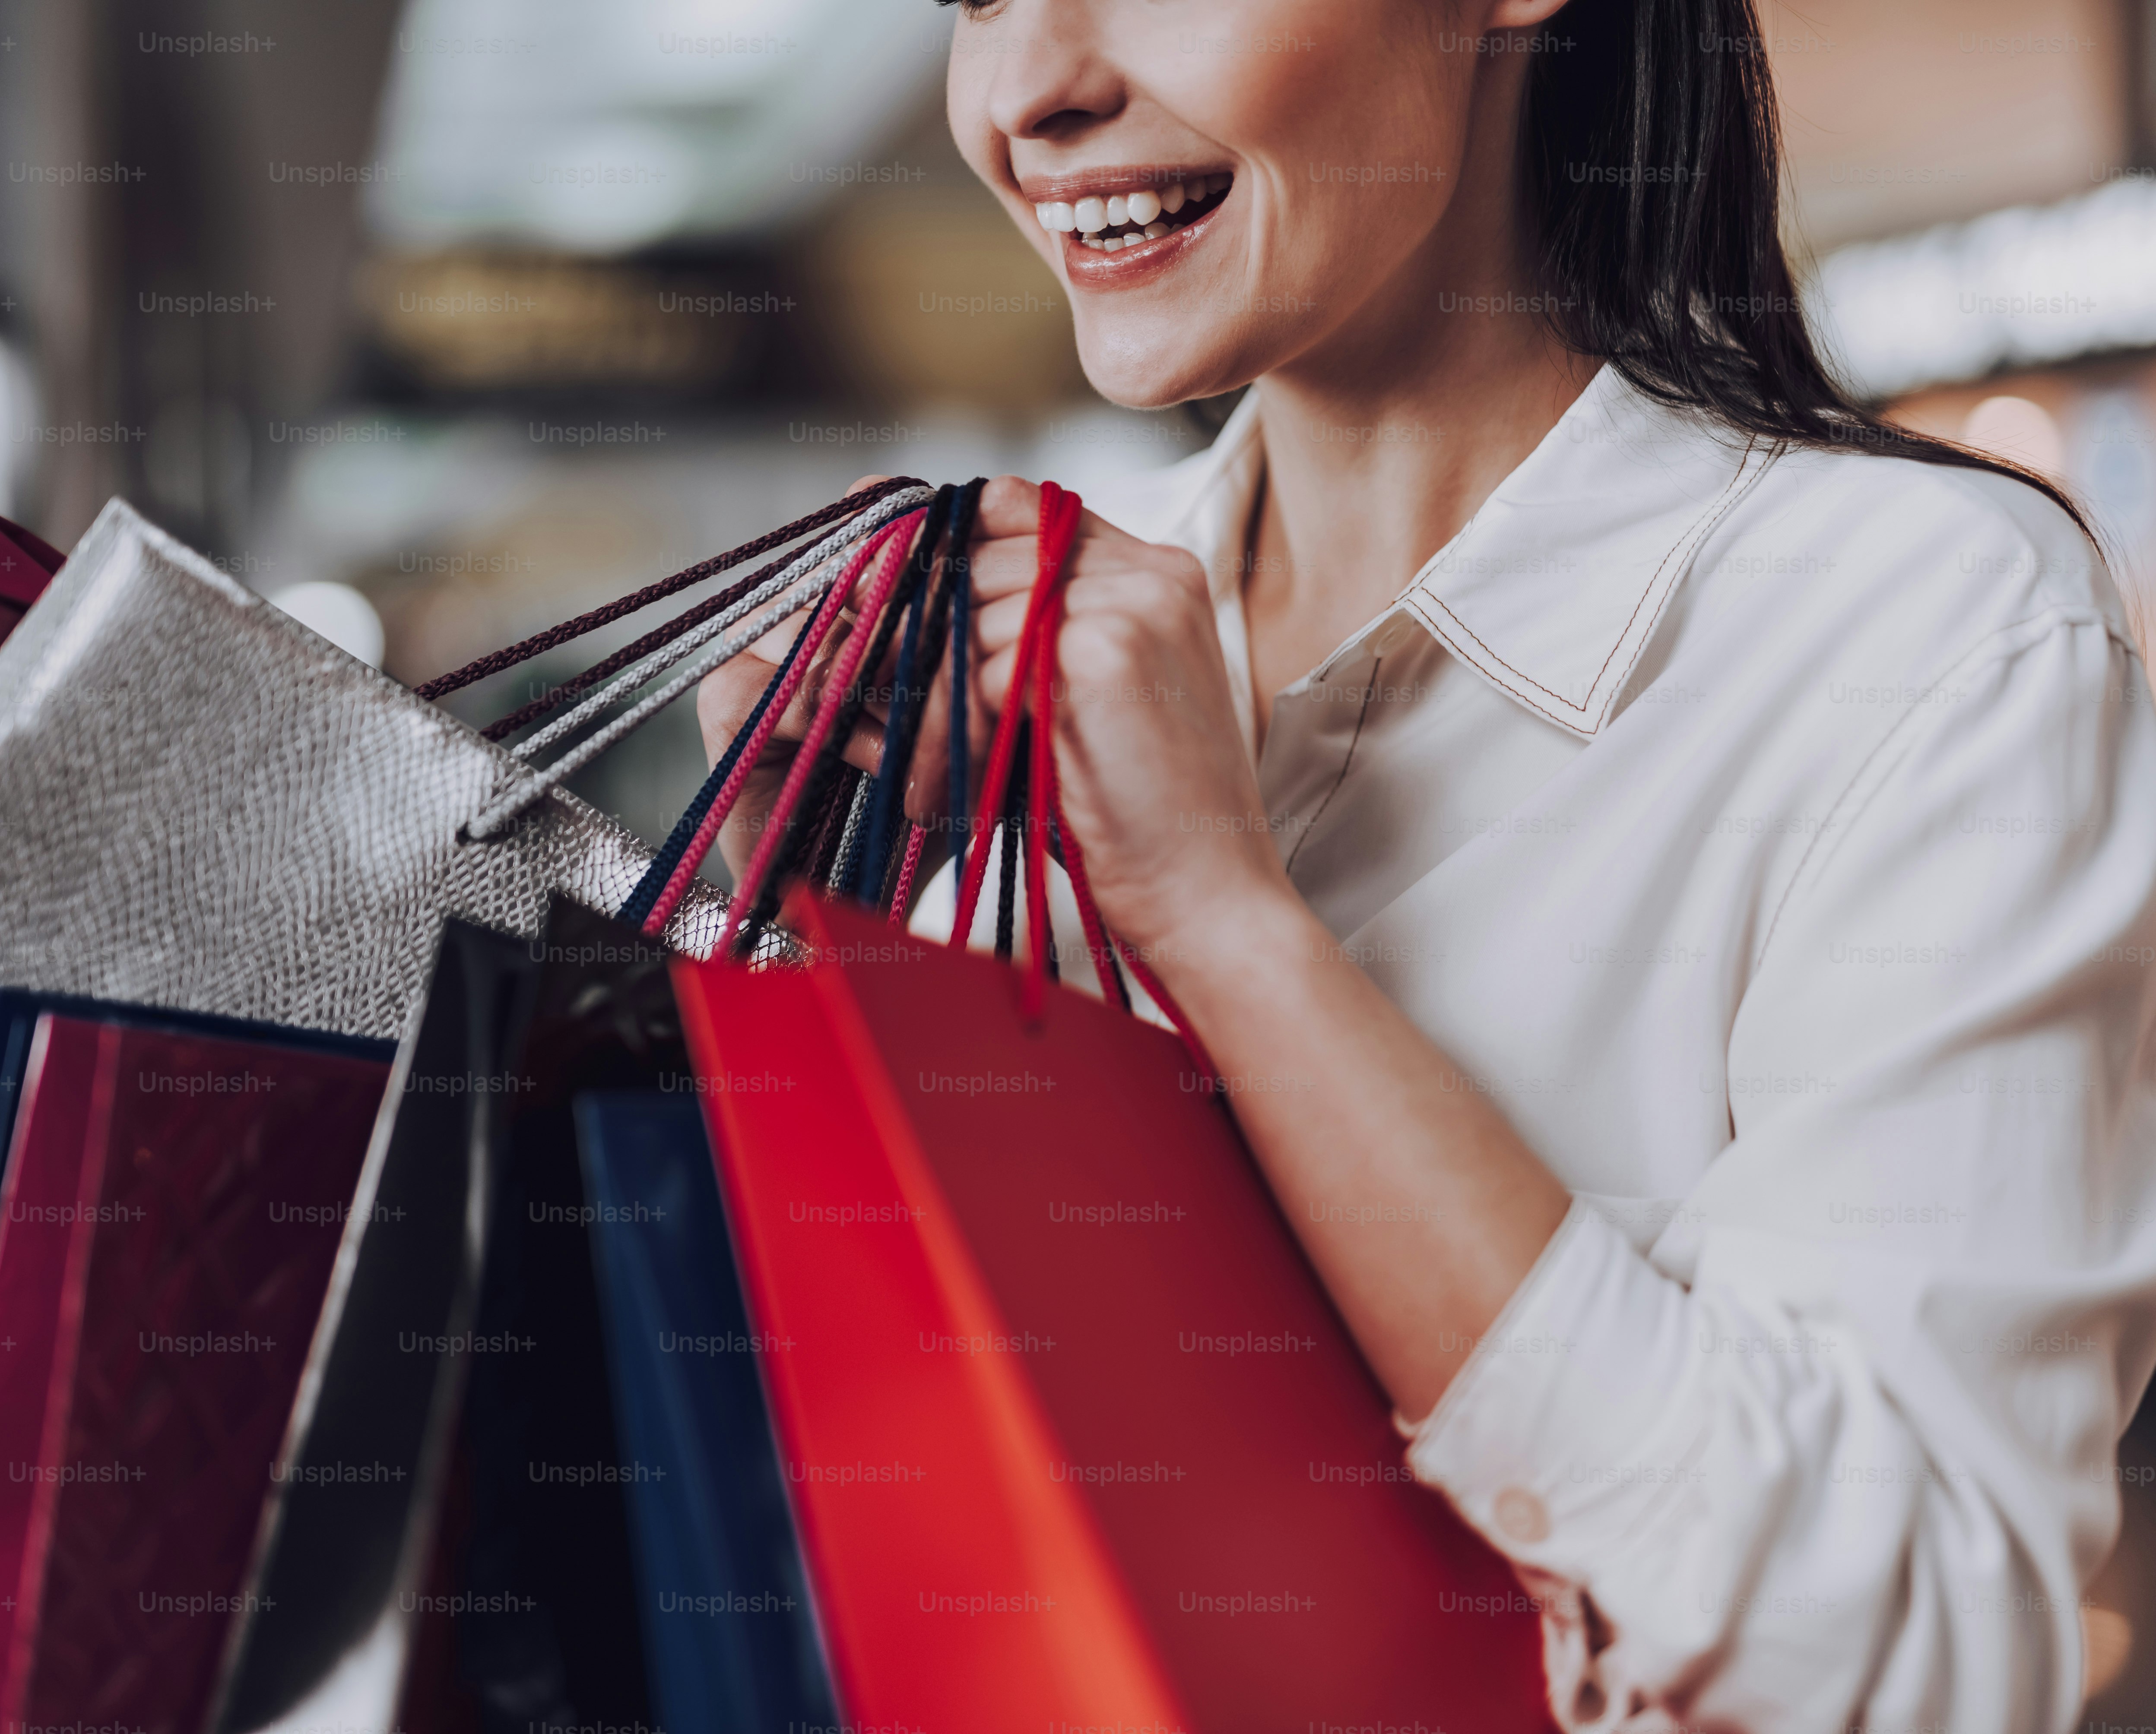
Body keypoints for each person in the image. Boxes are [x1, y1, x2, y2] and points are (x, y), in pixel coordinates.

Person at [698, 0, 2156, 1727]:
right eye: (972, 0)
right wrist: (789, 911)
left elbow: (1911, 1660)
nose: (1030, 92)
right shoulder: (1037, 636)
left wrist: (1233, 929)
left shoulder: (1923, 633)